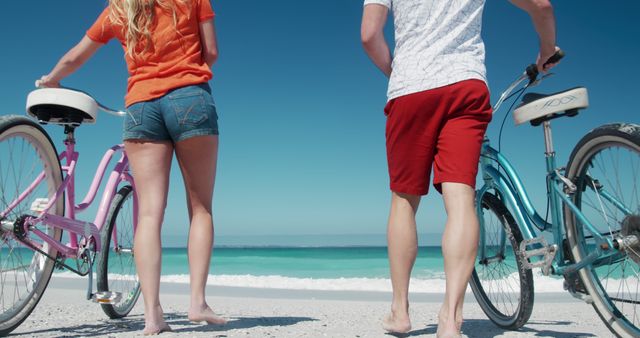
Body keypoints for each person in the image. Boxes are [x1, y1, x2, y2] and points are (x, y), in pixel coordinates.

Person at [361, 0, 558, 336]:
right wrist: (546, 50)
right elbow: (540, 5)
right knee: (461, 199)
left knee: (404, 201)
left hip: (410, 90)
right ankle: (450, 319)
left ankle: (400, 311)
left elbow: (369, 35)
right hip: (465, 85)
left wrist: (398, 71)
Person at [37, 0, 225, 334]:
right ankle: (197, 302)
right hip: (190, 97)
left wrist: (51, 78)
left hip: (141, 105)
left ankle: (153, 315)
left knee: (150, 214)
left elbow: (76, 56)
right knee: (200, 209)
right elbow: (211, 52)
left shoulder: (118, 9)